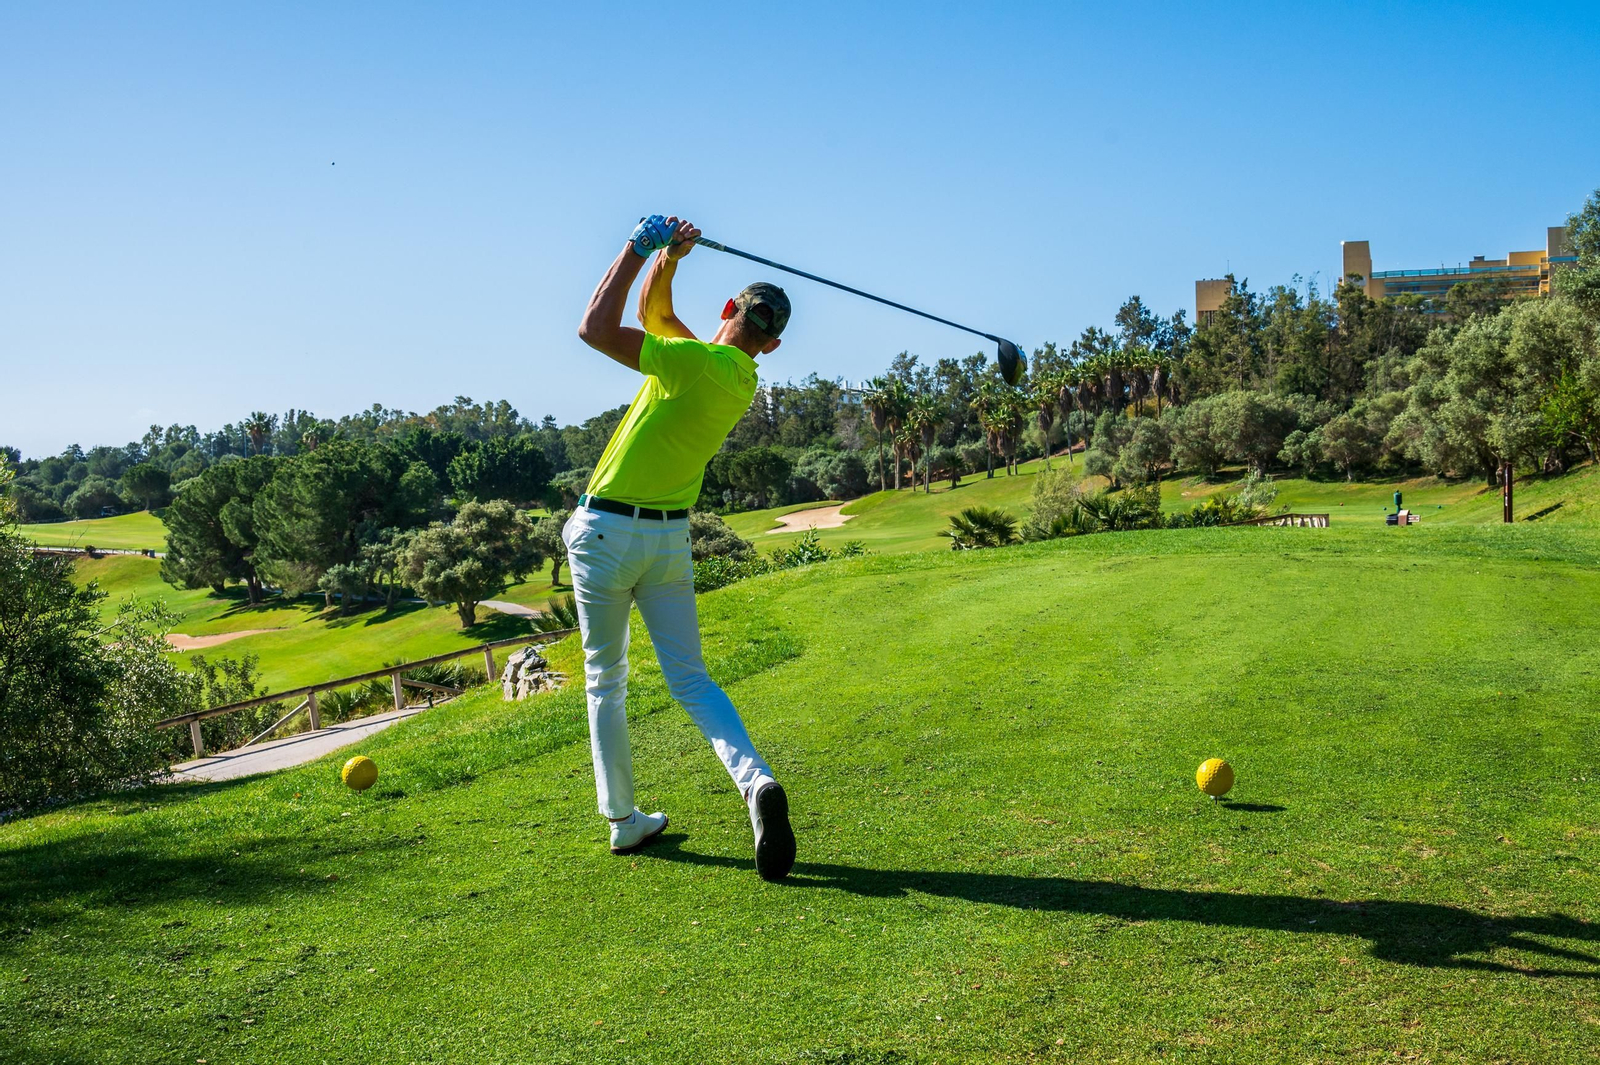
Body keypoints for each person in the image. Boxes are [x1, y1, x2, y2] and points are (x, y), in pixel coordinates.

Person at [570, 214, 796, 880]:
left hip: (606, 533)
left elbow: (595, 328)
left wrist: (636, 247)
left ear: (727, 309)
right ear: (772, 344)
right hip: (668, 539)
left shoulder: (691, 361)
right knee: (691, 679)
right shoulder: (733, 375)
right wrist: (670, 259)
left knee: (605, 678)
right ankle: (756, 783)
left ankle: (623, 820)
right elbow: (658, 314)